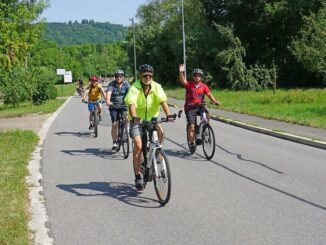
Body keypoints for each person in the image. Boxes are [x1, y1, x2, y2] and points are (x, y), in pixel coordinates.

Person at [124, 64, 174, 190]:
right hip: (137, 120)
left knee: (161, 133)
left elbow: (162, 101)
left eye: (150, 76)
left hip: (152, 119)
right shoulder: (134, 87)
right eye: (145, 75)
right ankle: (137, 176)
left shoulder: (157, 87)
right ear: (140, 76)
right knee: (139, 145)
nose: (147, 78)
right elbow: (131, 103)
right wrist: (134, 116)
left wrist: (169, 115)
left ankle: (156, 155)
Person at [179, 64, 220, 151]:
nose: (197, 77)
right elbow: (182, 81)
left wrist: (215, 101)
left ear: (201, 77)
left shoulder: (204, 86)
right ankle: (192, 142)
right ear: (193, 77)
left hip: (200, 106)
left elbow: (209, 94)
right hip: (190, 108)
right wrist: (181, 71)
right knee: (192, 126)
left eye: (199, 76)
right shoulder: (189, 84)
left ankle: (204, 127)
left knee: (207, 115)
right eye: (196, 75)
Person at [106, 69, 131, 151]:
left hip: (124, 105)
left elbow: (131, 92)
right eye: (117, 76)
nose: (118, 78)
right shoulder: (111, 84)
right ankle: (114, 142)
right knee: (114, 124)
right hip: (114, 106)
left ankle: (125, 131)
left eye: (120, 76)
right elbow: (109, 92)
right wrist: (108, 101)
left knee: (127, 118)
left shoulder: (126, 84)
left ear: (123, 77)